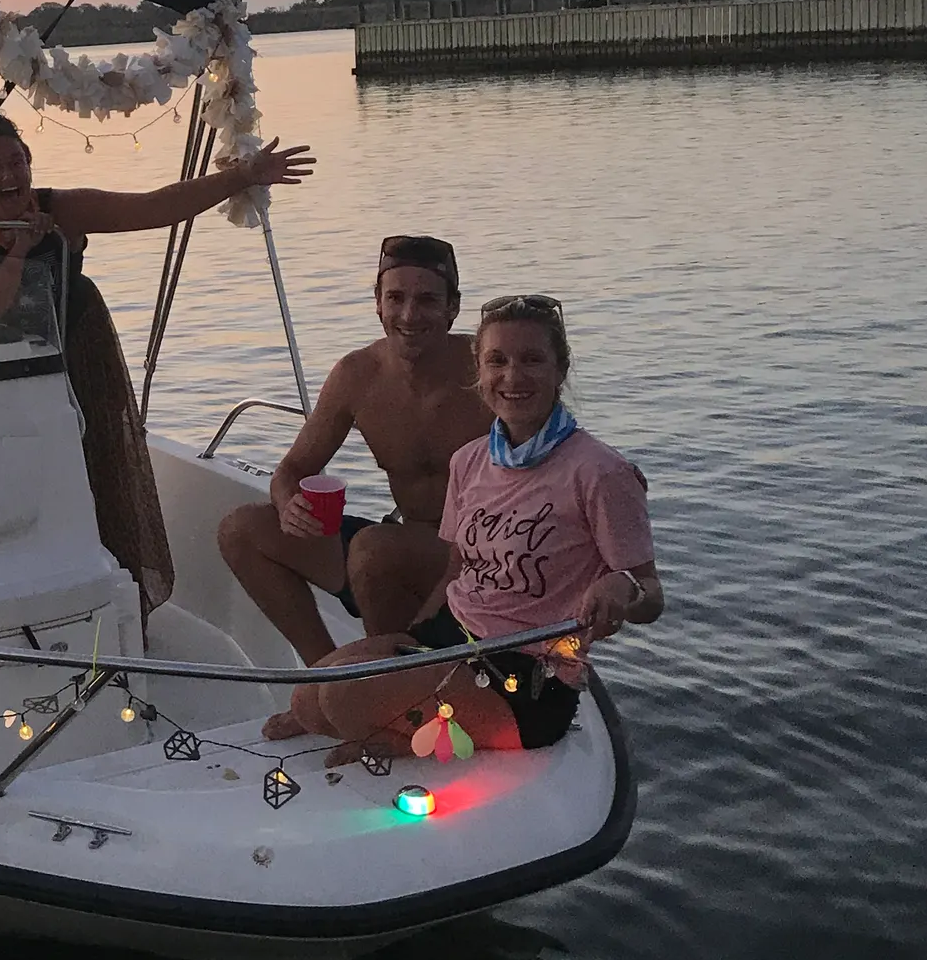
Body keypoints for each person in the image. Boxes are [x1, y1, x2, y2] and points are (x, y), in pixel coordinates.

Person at [0, 111, 314, 613]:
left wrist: (243, 176)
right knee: (28, 474)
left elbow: (155, 207)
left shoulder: (62, 209)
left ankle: (119, 601)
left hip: (79, 351)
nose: (8, 176)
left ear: (30, 166)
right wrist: (20, 250)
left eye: (17, 162)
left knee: (101, 471)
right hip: (9, 370)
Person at [268, 293, 663, 752]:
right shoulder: (470, 461)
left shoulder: (600, 472)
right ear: (479, 371)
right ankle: (394, 722)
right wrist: (411, 637)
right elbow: (457, 566)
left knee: (340, 702)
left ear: (560, 370)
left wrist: (622, 587)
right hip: (450, 636)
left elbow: (650, 595)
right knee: (307, 701)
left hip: (525, 676)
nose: (513, 376)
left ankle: (402, 738)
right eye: (498, 361)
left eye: (532, 359)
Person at [218, 234, 489, 660]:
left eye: (427, 300)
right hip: (402, 541)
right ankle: (326, 675)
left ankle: (384, 686)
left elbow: (556, 454)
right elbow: (291, 471)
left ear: (452, 308)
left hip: (482, 554)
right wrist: (290, 504)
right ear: (377, 302)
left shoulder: (490, 368)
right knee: (241, 530)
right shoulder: (357, 375)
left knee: (374, 550)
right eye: (395, 297)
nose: (409, 314)